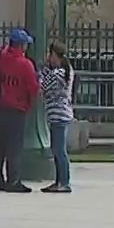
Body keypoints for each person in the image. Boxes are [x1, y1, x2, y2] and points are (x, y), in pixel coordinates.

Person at [0, 29, 41, 193]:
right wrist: (29, 105)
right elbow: (33, 88)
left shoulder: (0, 59)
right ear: (21, 45)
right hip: (17, 108)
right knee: (14, 147)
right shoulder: (25, 64)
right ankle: (13, 180)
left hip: (0, 106)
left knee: (0, 145)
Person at [39, 43, 75, 194]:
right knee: (58, 149)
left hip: (58, 115)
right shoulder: (67, 71)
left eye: (51, 55)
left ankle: (64, 181)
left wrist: (43, 71)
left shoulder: (58, 74)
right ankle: (60, 180)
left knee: (59, 150)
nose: (49, 58)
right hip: (62, 114)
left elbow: (43, 87)